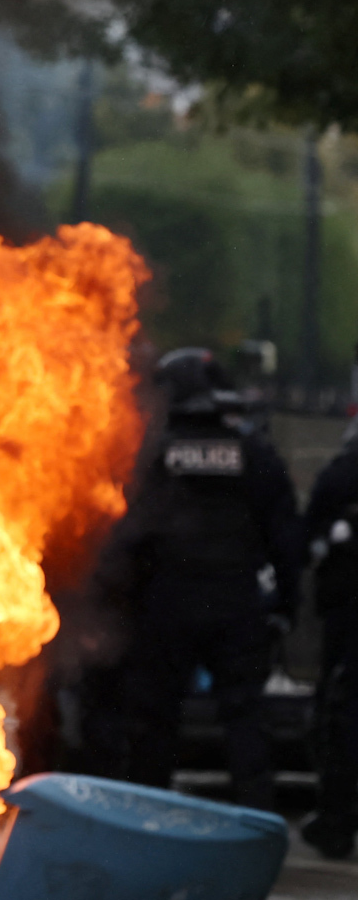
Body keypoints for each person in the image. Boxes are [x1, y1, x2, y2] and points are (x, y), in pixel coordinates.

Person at [87, 347, 301, 810]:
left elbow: (123, 541)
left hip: (167, 608)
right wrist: (285, 605)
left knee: (154, 723)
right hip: (236, 604)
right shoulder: (255, 455)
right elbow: (286, 539)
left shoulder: (148, 459)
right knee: (245, 719)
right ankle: (257, 818)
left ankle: (146, 817)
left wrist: (116, 608)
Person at [301, 421, 358, 857]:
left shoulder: (343, 473)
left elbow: (303, 536)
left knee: (343, 717)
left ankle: (336, 823)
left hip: (347, 615)